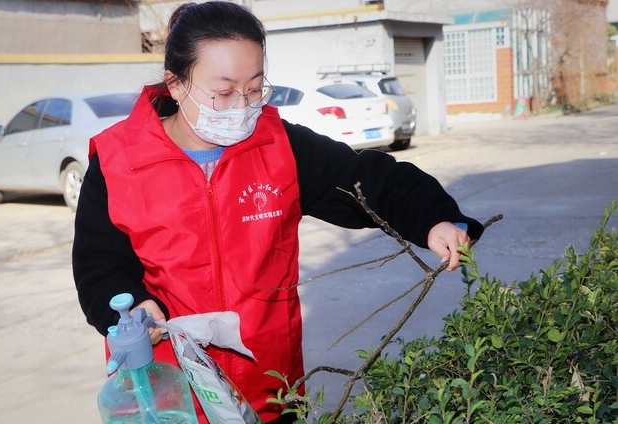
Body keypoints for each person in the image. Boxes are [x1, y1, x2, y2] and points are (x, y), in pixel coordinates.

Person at [72, 2, 484, 423]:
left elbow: (368, 178)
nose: (241, 107)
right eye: (224, 92)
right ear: (176, 84)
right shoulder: (119, 161)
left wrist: (433, 218)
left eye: (254, 89)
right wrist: (134, 307)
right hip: (170, 396)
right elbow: (97, 267)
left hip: (271, 390)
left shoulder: (278, 147)